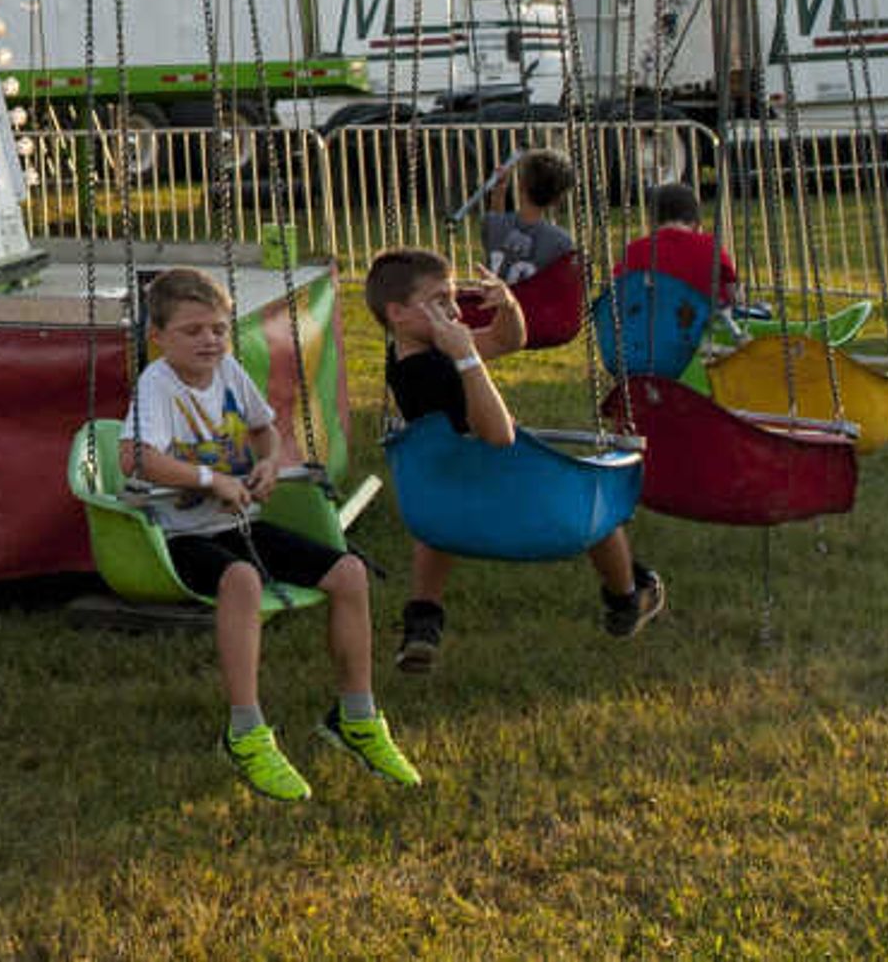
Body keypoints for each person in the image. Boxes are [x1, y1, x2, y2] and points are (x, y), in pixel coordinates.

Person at [119, 267, 418, 802]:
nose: (209, 340)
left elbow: (265, 431)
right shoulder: (156, 385)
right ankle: (246, 731)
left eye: (218, 328)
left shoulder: (229, 372)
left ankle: (354, 716)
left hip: (241, 523)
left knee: (349, 572)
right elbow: (135, 457)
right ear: (158, 338)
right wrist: (211, 480)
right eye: (192, 331)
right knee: (242, 582)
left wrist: (269, 465)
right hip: (182, 535)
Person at [364, 246, 662, 674]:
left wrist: (507, 304)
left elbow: (508, 339)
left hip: (449, 502)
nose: (455, 311)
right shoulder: (435, 370)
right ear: (398, 313)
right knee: (593, 496)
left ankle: (423, 620)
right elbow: (500, 435)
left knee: (440, 494)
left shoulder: (411, 354)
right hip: (518, 500)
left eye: (453, 297)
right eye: (439, 301)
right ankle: (625, 597)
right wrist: (467, 358)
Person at [610, 178, 740, 305]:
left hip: (650, 324)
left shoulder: (634, 251)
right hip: (706, 324)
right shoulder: (709, 246)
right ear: (696, 219)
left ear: (652, 219)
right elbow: (733, 293)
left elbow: (615, 294)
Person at [479, 150, 580, 288]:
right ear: (558, 199)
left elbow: (498, 222)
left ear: (521, 185)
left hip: (493, 307)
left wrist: (500, 190)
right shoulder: (561, 243)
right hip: (534, 308)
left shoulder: (491, 224)